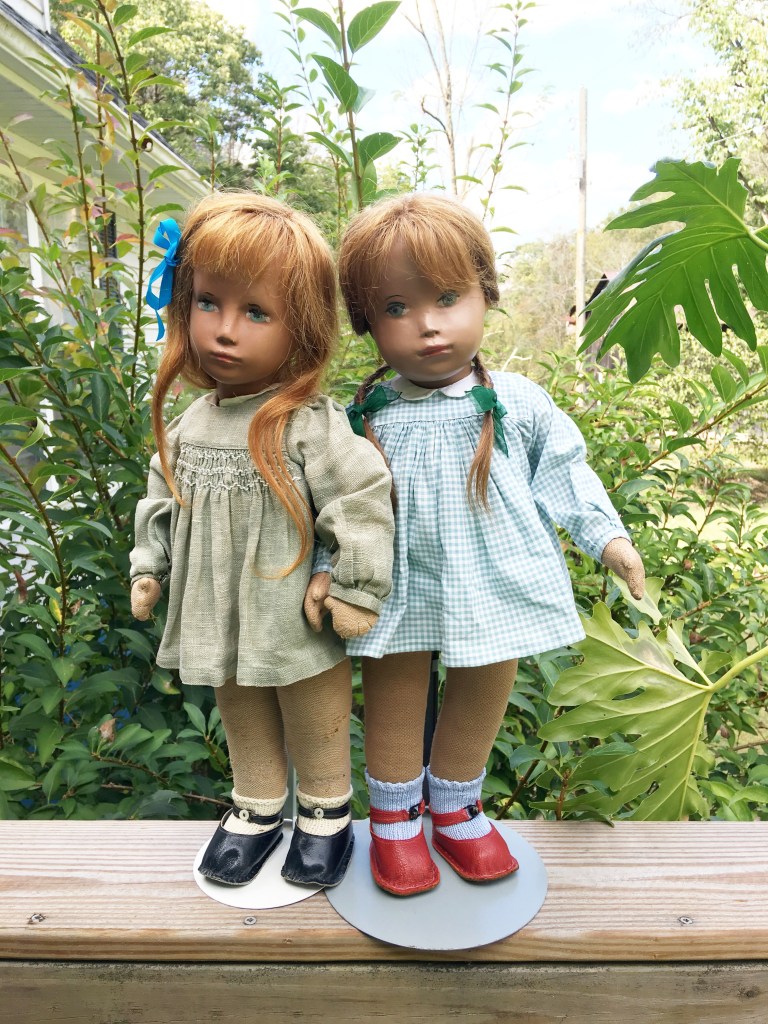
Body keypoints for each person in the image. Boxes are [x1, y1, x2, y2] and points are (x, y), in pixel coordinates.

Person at [307, 192, 644, 897]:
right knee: (394, 689)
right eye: (396, 307)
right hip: (394, 585)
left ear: (484, 292)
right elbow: (334, 506)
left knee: (485, 687)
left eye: (447, 298)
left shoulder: (517, 401)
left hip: (494, 580)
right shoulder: (365, 415)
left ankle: (458, 808)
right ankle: (396, 820)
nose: (428, 324)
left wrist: (607, 537)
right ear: (367, 321)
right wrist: (325, 569)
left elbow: (564, 470)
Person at [130, 192, 394, 889]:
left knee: (315, 711)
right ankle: (256, 805)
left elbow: (360, 495)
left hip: (292, 613)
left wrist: (355, 584)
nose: (224, 330)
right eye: (207, 302)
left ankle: (325, 811)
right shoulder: (192, 422)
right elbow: (161, 495)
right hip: (217, 610)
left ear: (300, 328)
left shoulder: (306, 421)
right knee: (240, 709)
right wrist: (149, 564)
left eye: (256, 312)